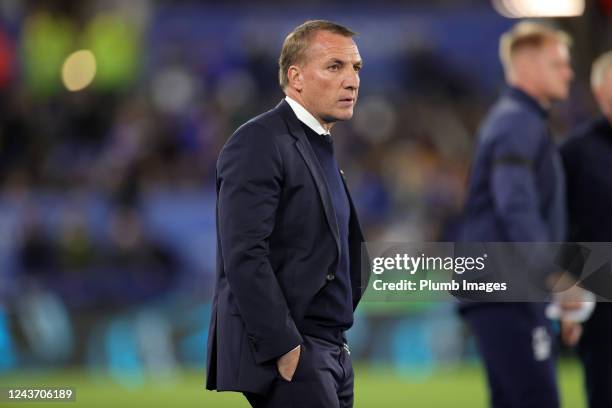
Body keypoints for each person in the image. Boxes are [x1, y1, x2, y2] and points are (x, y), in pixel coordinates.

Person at [206, 20, 369, 408]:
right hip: (296, 352)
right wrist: (285, 346)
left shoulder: (318, 143)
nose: (351, 81)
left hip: (331, 350)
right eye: (334, 67)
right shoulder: (259, 141)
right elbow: (244, 253)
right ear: (295, 77)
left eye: (356, 68)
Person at [459, 22, 575, 408]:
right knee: (535, 399)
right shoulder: (517, 123)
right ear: (526, 67)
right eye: (558, 63)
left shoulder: (518, 121)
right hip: (506, 285)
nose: (568, 72)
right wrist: (552, 275)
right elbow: (515, 204)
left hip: (506, 284)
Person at [560, 50, 612, 408]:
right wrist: (568, 298)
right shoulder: (576, 151)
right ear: (599, 93)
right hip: (601, 297)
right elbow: (563, 225)